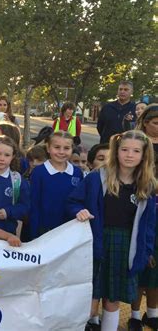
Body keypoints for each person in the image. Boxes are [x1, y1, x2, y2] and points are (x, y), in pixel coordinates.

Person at [69, 130, 156, 331]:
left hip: (126, 246)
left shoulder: (146, 186)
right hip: (96, 242)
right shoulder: (96, 178)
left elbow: (148, 225)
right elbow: (73, 201)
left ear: (144, 155)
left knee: (112, 300)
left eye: (136, 151)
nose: (129, 155)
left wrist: (147, 250)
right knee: (89, 303)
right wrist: (79, 211)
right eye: (124, 149)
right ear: (116, 151)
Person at [129, 104, 158, 330]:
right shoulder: (138, 144)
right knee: (141, 260)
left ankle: (153, 312)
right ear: (146, 122)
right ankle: (135, 314)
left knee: (156, 265)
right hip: (143, 204)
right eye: (155, 122)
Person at [29, 131, 83, 239]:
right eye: (57, 147)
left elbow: (79, 201)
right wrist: (34, 234)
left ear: (72, 149)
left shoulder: (77, 173)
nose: (61, 152)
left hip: (69, 228)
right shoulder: (39, 172)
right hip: (44, 229)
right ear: (48, 148)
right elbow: (34, 205)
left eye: (66, 148)